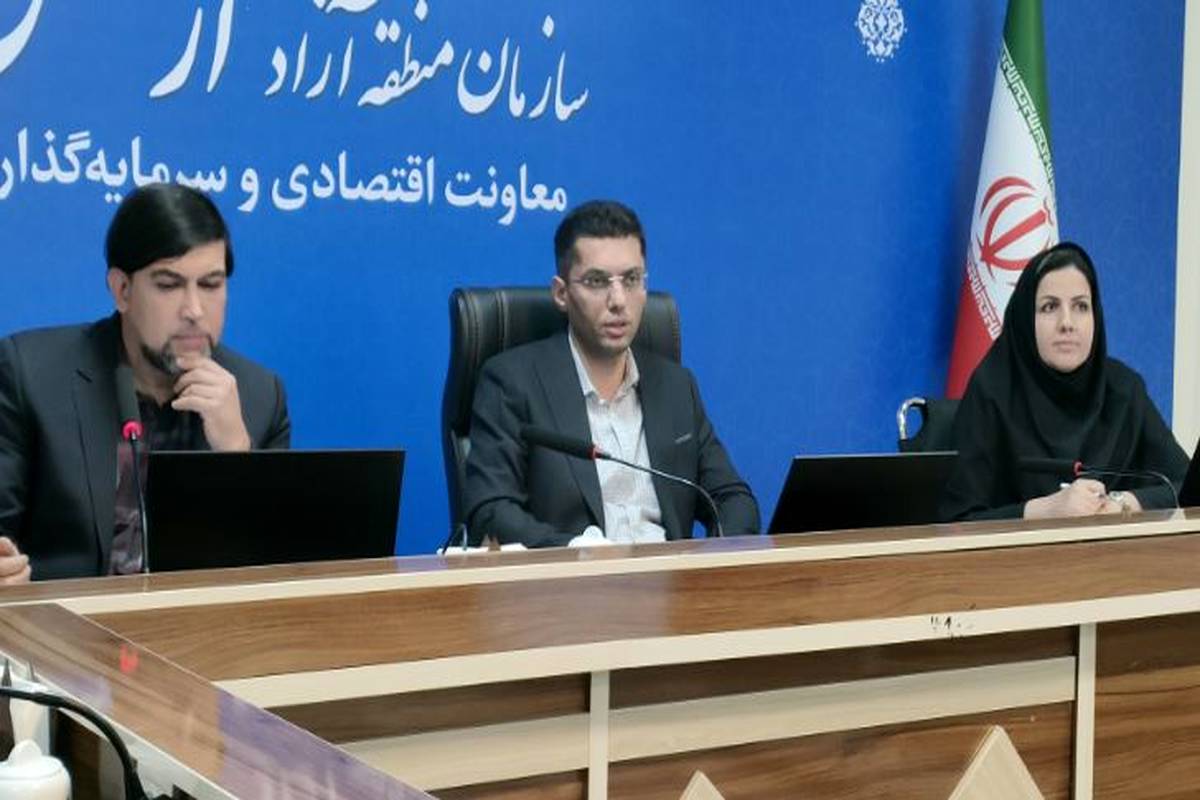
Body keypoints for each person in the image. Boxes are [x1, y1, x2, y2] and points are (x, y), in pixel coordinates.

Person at [0, 183, 291, 581]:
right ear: (122, 290)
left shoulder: (260, 398)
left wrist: (237, 456)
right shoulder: (32, 376)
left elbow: (273, 572)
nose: (194, 310)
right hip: (66, 618)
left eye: (211, 284)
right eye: (169, 285)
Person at [463, 200, 759, 547]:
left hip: (672, 578)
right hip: (574, 577)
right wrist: (576, 552)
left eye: (631, 279)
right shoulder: (512, 382)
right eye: (597, 281)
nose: (618, 300)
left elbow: (733, 498)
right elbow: (491, 511)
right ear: (561, 293)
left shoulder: (676, 386)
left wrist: (712, 560)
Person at [941, 241, 1187, 522]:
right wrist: (1045, 510)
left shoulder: (1123, 389)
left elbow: (1187, 485)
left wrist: (1122, 502)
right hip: (1022, 551)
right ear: (1025, 317)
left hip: (1113, 550)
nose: (1067, 323)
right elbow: (956, 520)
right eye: (1049, 307)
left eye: (1081, 306)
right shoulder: (992, 391)